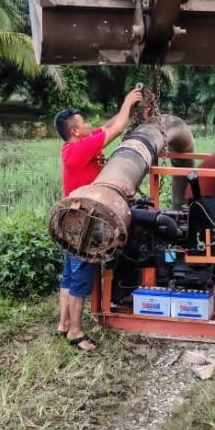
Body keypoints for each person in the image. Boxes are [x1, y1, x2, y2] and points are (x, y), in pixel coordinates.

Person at [53, 86, 143, 351]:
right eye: (83, 123)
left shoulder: (72, 148)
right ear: (75, 131)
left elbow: (106, 125)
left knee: (68, 276)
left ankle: (63, 323)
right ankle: (76, 333)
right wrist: (127, 101)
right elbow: (114, 131)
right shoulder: (81, 148)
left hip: (69, 220)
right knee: (82, 276)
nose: (89, 125)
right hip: (85, 222)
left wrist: (125, 111)